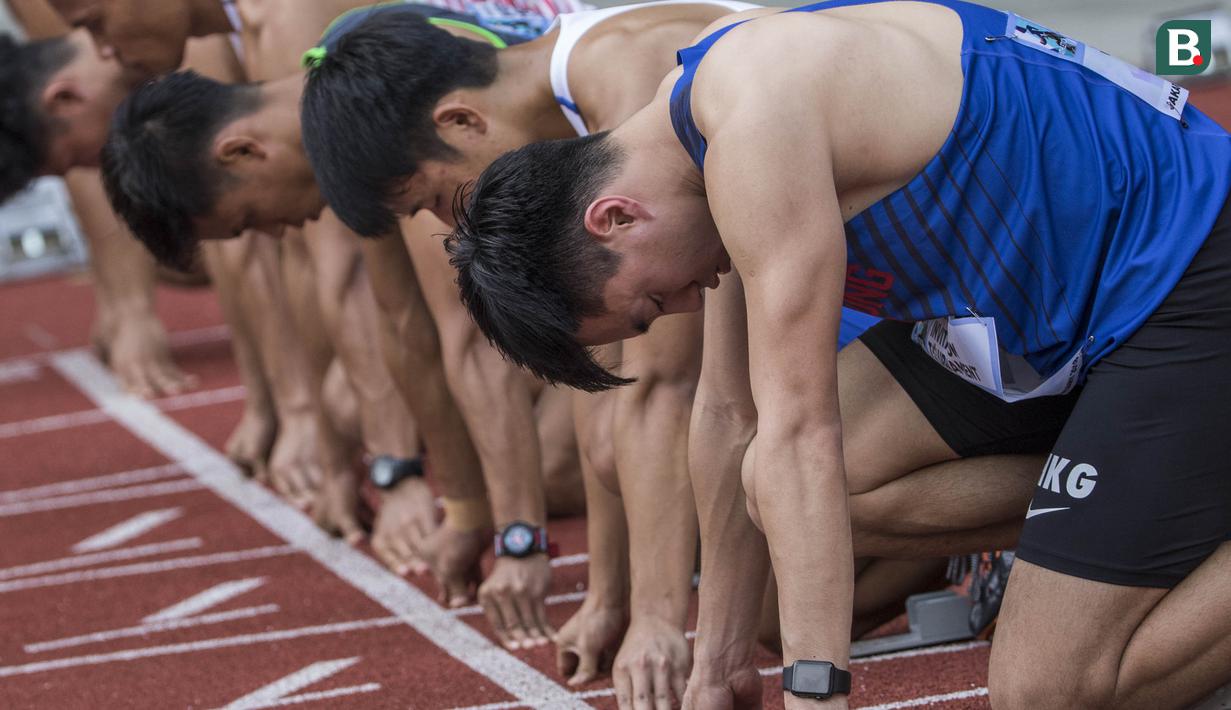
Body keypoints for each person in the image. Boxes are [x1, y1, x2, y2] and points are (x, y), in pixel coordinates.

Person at [449, 1, 1231, 708]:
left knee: (1046, 694)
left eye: (651, 304)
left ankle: (1159, 495)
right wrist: (715, 664)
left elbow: (797, 434)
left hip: (1185, 264)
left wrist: (813, 694)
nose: (686, 305)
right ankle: (1151, 495)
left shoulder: (756, 124)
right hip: (1057, 302)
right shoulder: (692, 138)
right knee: (783, 514)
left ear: (613, 217)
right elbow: (729, 417)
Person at [97, 1, 588, 653]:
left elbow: (461, 334)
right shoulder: (323, 101)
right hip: (587, 185)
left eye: (249, 220)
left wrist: (517, 536)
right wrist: (465, 510)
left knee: (578, 453)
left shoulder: (366, 108)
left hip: (634, 127)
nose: (273, 235)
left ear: (243, 151)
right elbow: (401, 316)